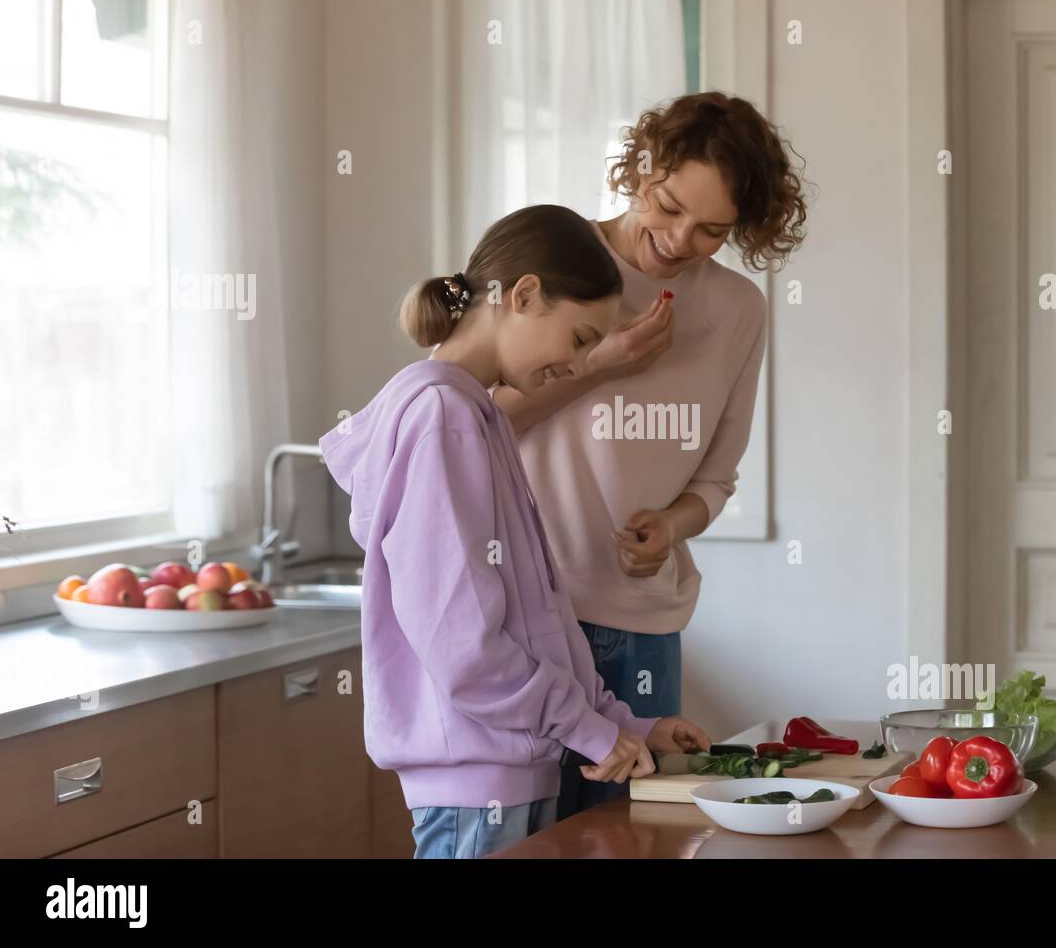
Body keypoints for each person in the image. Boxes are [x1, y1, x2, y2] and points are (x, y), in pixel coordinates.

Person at [320, 204, 710, 858]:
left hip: (505, 774)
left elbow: (536, 623)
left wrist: (626, 724)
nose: (579, 362)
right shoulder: (442, 418)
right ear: (525, 295)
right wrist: (586, 729)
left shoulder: (480, 415)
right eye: (582, 339)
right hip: (477, 789)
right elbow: (464, 643)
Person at [492, 93, 809, 818]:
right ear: (641, 166)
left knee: (628, 839)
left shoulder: (737, 311)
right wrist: (600, 366)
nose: (677, 239)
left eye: (711, 231)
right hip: (526, 619)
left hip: (642, 627)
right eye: (667, 206)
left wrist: (673, 526)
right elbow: (474, 424)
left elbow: (716, 477)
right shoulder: (551, 260)